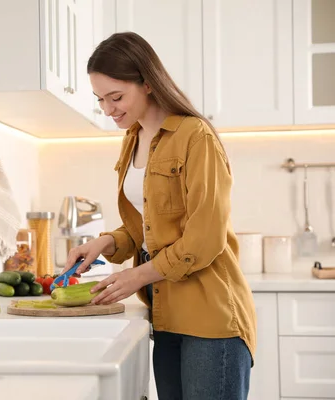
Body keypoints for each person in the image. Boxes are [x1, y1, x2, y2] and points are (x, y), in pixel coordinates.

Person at [61, 32, 257, 400]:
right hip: (163, 313)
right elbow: (145, 224)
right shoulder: (132, 139)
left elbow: (204, 238)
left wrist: (136, 275)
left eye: (116, 97)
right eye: (100, 99)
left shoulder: (195, 137)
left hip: (210, 317)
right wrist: (106, 242)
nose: (108, 109)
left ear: (148, 82)